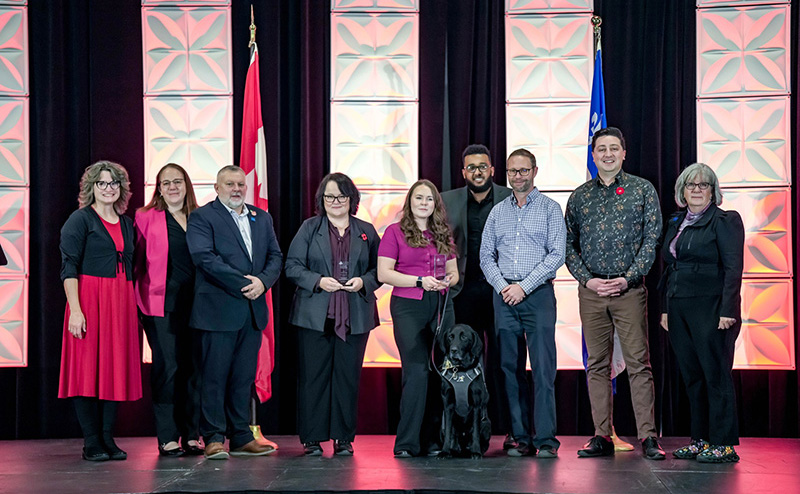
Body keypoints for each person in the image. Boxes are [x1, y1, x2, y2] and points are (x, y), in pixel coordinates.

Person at [564, 126, 666, 460]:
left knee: (639, 363)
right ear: (593, 156)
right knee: (596, 365)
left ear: (624, 153)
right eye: (601, 149)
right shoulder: (579, 196)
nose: (607, 154)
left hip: (629, 291)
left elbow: (652, 239)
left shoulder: (642, 190)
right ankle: (601, 435)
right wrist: (587, 280)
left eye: (614, 148)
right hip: (592, 291)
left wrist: (628, 278)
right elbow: (568, 244)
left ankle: (648, 437)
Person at [185, 165, 282, 460]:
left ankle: (240, 437)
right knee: (214, 377)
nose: (237, 189)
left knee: (242, 378)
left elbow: (275, 256)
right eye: (229, 184)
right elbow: (204, 258)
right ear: (217, 188)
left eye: (240, 184)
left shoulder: (261, 217)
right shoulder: (202, 217)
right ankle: (214, 437)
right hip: (218, 311)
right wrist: (245, 284)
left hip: (252, 311)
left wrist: (263, 282)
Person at [285, 173, 381, 456]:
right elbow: (292, 266)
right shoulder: (309, 228)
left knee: (347, 378)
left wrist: (364, 281)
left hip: (356, 315)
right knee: (313, 377)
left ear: (351, 199)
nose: (335, 202)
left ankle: (343, 438)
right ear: (321, 200)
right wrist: (318, 280)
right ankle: (312, 439)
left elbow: (381, 269)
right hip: (315, 314)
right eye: (329, 196)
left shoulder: (366, 230)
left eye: (341, 196)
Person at [479, 148, 565, 458]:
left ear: (535, 171)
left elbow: (557, 255)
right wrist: (504, 287)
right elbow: (486, 255)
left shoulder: (550, 209)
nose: (518, 176)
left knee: (543, 370)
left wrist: (523, 287)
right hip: (504, 298)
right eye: (513, 171)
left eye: (524, 170)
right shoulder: (498, 211)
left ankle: (545, 440)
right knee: (508, 369)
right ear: (506, 173)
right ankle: (519, 436)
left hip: (538, 296)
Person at [659, 163, 744, 463]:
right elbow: (668, 267)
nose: (696, 189)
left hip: (712, 308)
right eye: (690, 185)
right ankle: (700, 439)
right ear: (682, 191)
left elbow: (734, 269)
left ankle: (723, 443)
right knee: (693, 376)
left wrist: (728, 310)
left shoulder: (725, 221)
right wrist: (666, 309)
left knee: (716, 376)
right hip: (679, 306)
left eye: (703, 185)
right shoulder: (675, 222)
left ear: (713, 190)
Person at [59, 160, 142, 461]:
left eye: (114, 183)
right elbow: (68, 269)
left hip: (120, 303)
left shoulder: (128, 223)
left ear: (121, 188)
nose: (108, 189)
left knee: (114, 369)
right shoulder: (80, 220)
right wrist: (76, 311)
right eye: (102, 183)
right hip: (89, 302)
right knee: (86, 370)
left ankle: (108, 438)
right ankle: (91, 441)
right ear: (91, 187)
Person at [441, 144, 515, 448]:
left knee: (505, 363)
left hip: (503, 291)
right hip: (462, 292)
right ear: (463, 172)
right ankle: (455, 436)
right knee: (460, 364)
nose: (478, 171)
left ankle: (513, 432)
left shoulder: (511, 198)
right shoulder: (447, 201)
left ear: (493, 169)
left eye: (483, 166)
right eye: (471, 167)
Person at [377, 179, 458, 458]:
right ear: (410, 202)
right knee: (417, 371)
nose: (424, 203)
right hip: (408, 306)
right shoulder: (394, 232)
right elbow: (384, 273)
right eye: (419, 198)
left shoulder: (442, 233)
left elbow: (454, 272)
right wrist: (420, 281)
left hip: (441, 304)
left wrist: (446, 280)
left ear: (436, 204)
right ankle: (407, 443)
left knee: (438, 371)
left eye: (429, 199)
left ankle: (433, 441)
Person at [134, 163, 203, 457]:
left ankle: (191, 434)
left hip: (199, 306)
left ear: (186, 185)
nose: (173, 187)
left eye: (178, 181)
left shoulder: (201, 218)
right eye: (166, 183)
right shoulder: (145, 216)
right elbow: (135, 261)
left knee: (194, 368)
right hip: (159, 304)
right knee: (168, 367)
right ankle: (167, 436)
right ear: (159, 188)